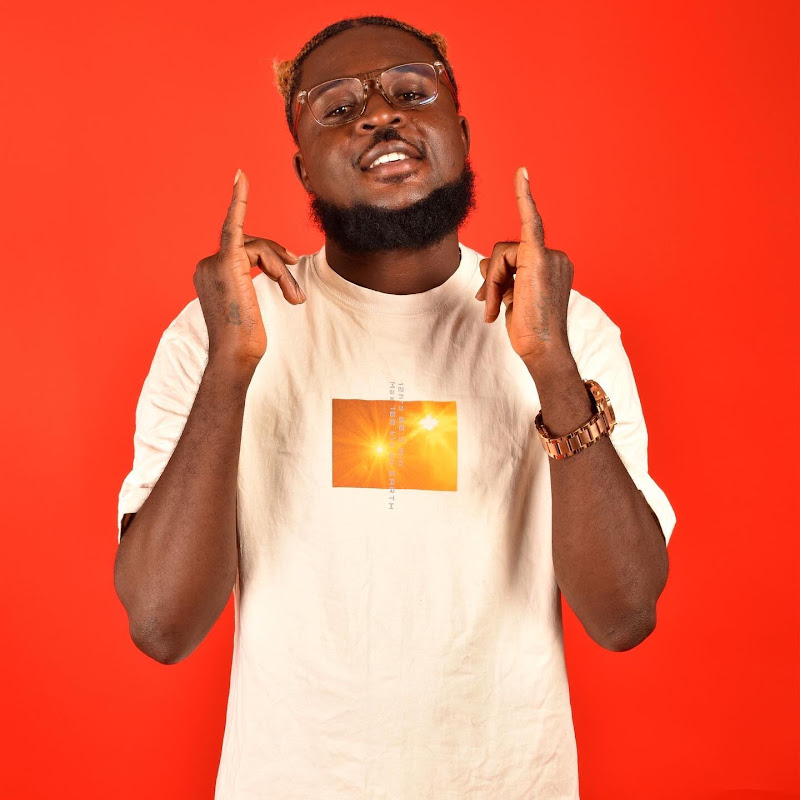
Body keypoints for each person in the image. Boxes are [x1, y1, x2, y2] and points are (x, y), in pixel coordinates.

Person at [114, 15, 676, 800]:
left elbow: (624, 616)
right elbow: (161, 626)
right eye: (339, 106)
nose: (380, 113)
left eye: (413, 92)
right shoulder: (222, 328)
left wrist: (551, 364)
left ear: (462, 134)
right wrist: (229, 369)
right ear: (303, 167)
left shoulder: (567, 326)